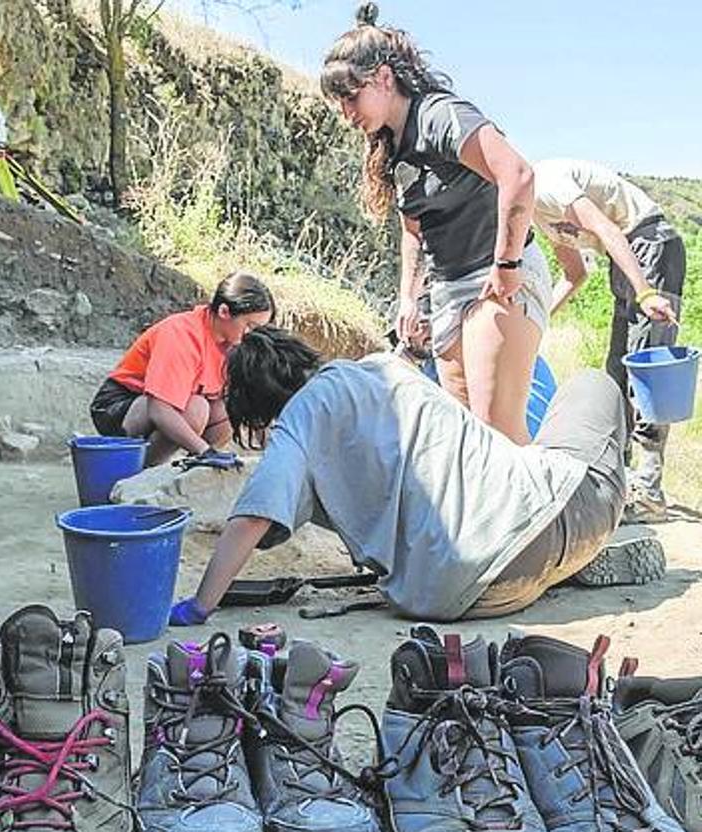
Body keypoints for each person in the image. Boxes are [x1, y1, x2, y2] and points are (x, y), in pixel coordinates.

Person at [168, 326, 654, 625]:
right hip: (546, 518)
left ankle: (552, 566)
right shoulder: (381, 369)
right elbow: (258, 512)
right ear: (301, 358)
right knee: (591, 385)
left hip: (455, 596)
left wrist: (200, 604)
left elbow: (256, 514)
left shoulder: (297, 428)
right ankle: (571, 552)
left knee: (526, 503)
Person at [322, 3, 552, 444]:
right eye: (339, 102)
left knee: (495, 433)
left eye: (351, 97)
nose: (345, 113)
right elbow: (414, 231)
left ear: (384, 78)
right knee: (464, 437)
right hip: (447, 289)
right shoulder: (390, 147)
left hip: (495, 278)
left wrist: (507, 265)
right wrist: (410, 299)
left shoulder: (440, 116)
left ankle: (544, 512)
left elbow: (518, 177)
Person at [533, 159, 685, 522]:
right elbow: (576, 273)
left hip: (649, 244)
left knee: (648, 369)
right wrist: (537, 320)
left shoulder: (544, 184)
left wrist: (646, 292)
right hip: (627, 259)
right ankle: (617, 479)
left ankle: (648, 489)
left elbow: (608, 229)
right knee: (617, 373)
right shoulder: (536, 215)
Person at [89, 272, 275, 466]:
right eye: (250, 326)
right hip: (121, 406)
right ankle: (137, 471)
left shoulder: (234, 344)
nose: (253, 335)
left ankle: (195, 468)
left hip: (169, 405)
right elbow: (159, 409)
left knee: (229, 410)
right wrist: (205, 450)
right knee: (195, 409)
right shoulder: (181, 334)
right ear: (224, 312)